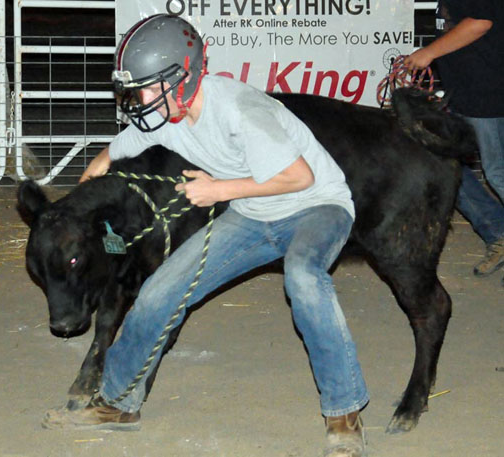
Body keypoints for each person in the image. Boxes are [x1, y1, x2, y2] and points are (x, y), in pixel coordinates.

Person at [42, 14, 369, 457]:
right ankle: (119, 404)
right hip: (255, 213)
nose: (137, 99)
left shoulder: (239, 109)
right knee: (160, 291)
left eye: (144, 87)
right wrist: (96, 166)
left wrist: (218, 189)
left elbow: (298, 176)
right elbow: (123, 144)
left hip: (317, 205)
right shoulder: (167, 114)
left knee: (304, 276)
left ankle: (344, 414)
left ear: (182, 77)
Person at [405, 0, 504, 280]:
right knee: (446, 163)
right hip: (468, 93)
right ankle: (498, 231)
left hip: (488, 95)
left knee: (497, 172)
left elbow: (480, 22)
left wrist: (429, 52)